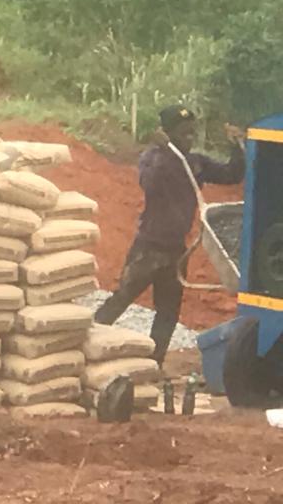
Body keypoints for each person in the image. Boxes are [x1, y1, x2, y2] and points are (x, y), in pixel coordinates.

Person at [94, 105, 245, 365]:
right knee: (122, 298)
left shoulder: (196, 162)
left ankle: (153, 363)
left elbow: (231, 175)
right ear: (167, 133)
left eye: (191, 133)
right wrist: (165, 151)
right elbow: (150, 182)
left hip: (177, 252)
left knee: (168, 313)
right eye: (183, 133)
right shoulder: (153, 158)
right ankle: (91, 344)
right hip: (149, 249)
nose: (189, 138)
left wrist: (236, 145)